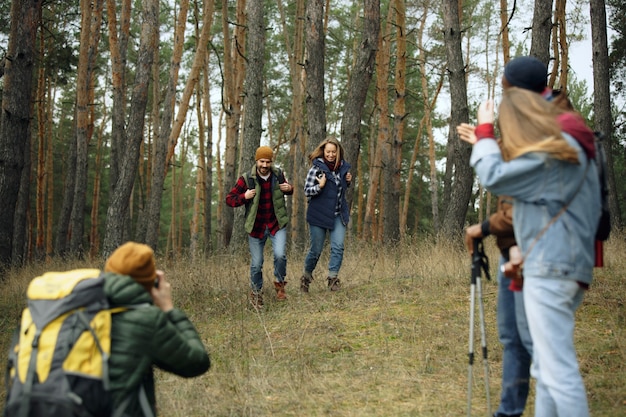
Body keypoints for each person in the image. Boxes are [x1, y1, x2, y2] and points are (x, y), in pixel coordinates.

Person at [460, 55, 598, 417]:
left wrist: (486, 132)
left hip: (552, 266)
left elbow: (494, 174)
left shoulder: (557, 148)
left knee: (557, 372)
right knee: (547, 370)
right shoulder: (569, 139)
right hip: (556, 262)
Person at [103, 241, 210, 416]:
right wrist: (168, 307)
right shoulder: (146, 321)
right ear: (152, 283)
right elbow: (197, 362)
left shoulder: (74, 309)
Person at [226, 145, 294, 308]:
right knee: (257, 263)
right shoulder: (246, 178)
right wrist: (244, 196)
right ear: (256, 161)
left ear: (272, 162)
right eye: (262, 161)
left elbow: (287, 189)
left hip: (276, 224)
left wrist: (290, 189)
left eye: (268, 162)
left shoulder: (277, 174)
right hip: (256, 227)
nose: (264, 165)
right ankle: (256, 294)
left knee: (280, 255)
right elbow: (230, 199)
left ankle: (280, 286)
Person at [300, 136, 352, 292]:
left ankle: (333, 279)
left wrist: (347, 181)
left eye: (333, 152)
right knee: (316, 250)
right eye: (328, 152)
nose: (330, 155)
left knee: (338, 247)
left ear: (338, 153)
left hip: (338, 214)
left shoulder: (343, 168)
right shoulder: (316, 169)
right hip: (319, 215)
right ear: (323, 151)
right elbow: (307, 191)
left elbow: (339, 190)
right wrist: (319, 186)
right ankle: (306, 278)